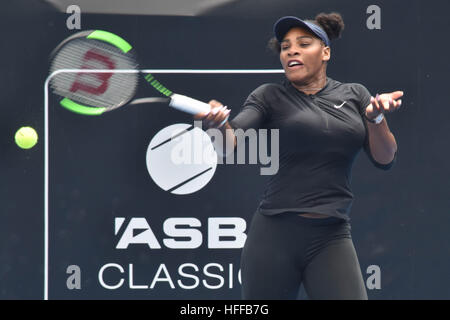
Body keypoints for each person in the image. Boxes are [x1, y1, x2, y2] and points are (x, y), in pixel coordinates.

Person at [195, 12, 402, 300]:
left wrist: (376, 118)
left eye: (304, 43)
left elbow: (385, 159)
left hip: (331, 235)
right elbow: (230, 144)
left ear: (325, 52)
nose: (292, 50)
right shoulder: (268, 96)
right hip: (273, 235)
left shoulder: (356, 95)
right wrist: (217, 125)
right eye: (285, 46)